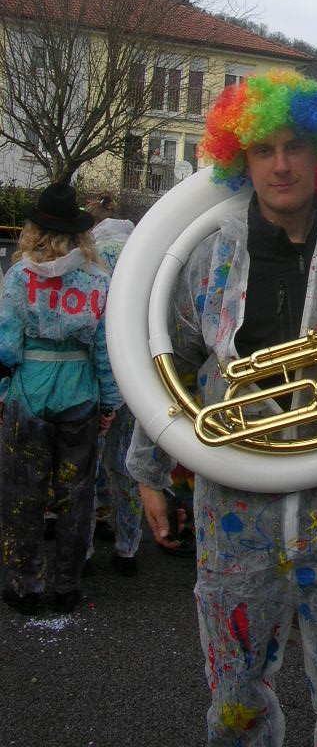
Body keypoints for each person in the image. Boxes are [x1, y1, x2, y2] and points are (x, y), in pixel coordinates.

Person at [126, 68, 317, 746]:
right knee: (235, 703)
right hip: (235, 518)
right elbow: (162, 360)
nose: (282, 164)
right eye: (264, 150)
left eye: (295, 146)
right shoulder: (206, 257)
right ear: (242, 158)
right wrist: (148, 472)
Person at [0, 183, 121, 615]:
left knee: (22, 495)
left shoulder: (18, 277)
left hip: (28, 394)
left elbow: (6, 348)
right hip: (80, 395)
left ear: (34, 229)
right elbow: (108, 352)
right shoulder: (97, 280)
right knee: (77, 495)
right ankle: (67, 584)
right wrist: (108, 403)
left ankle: (24, 585)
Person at [84, 191, 143, 577]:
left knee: (87, 461)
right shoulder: (140, 246)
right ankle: (128, 547)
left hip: (96, 365)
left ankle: (83, 547)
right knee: (127, 461)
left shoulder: (90, 251)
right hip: (136, 366)